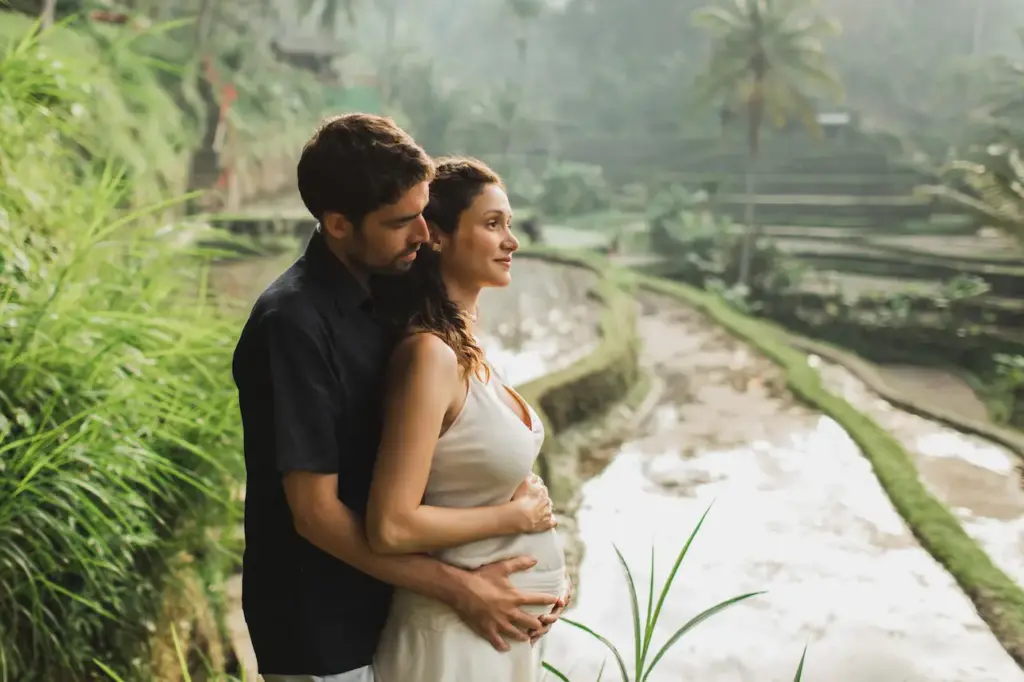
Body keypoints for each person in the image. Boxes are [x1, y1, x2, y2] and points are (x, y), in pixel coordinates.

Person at [231, 114, 566, 682]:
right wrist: (463, 588)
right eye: (402, 222)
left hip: (395, 611)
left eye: (424, 214)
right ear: (338, 224)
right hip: (325, 633)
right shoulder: (294, 323)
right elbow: (316, 514)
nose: (421, 234)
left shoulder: (388, 296)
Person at [368, 157, 570, 681]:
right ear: (436, 237)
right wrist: (516, 519)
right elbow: (391, 525)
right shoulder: (428, 356)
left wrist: (547, 576)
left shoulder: (468, 347)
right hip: (451, 640)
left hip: (497, 634)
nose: (512, 241)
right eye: (492, 223)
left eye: (510, 224)